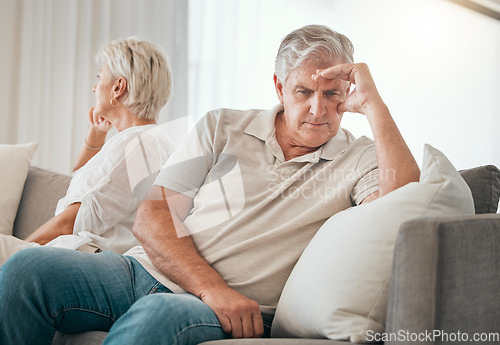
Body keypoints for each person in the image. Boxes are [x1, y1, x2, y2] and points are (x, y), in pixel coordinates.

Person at [0, 25, 420, 344]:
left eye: (333, 94)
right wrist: (211, 289)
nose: (318, 108)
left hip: (227, 310)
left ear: (349, 91)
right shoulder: (222, 125)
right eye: (303, 91)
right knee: (25, 270)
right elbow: (153, 217)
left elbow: (402, 208)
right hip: (144, 272)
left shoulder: (362, 156)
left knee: (155, 319)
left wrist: (374, 104)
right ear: (278, 86)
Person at [0, 37, 175, 265]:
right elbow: (80, 185)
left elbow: (71, 222)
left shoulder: (141, 145)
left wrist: (17, 254)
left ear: (118, 87)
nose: (94, 87)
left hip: (84, 260)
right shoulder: (141, 140)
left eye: (99, 77)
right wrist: (96, 133)